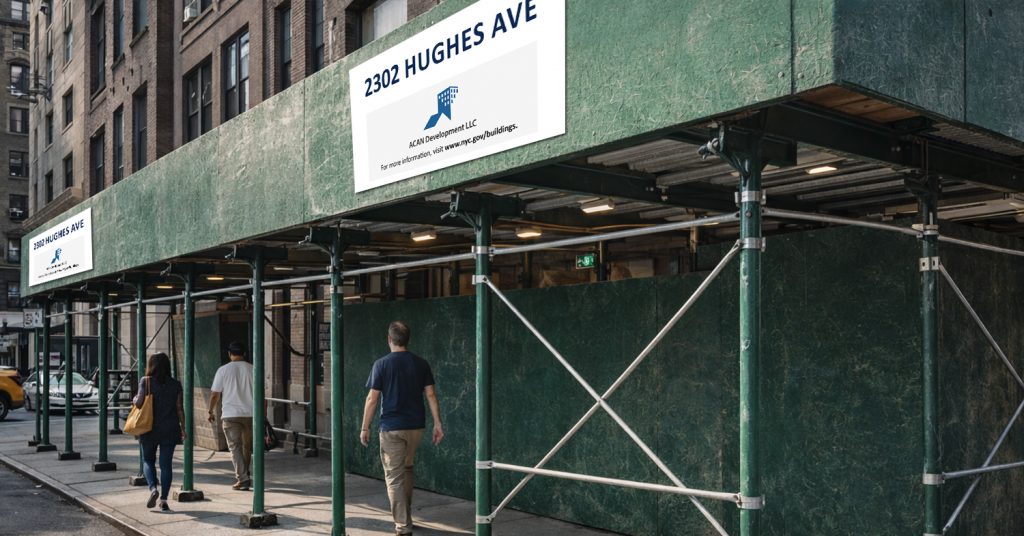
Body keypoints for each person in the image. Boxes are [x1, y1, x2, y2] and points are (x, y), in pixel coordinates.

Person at [360, 321, 444, 536]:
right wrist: (438, 424)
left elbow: (372, 399)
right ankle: (406, 517)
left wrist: (365, 427)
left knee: (394, 478)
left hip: (391, 428)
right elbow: (431, 395)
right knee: (407, 469)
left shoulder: (381, 364)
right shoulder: (421, 363)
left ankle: (403, 526)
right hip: (416, 426)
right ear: (407, 340)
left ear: (389, 339)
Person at [134, 352, 185, 511]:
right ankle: (163, 499)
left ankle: (153, 489)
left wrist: (135, 399)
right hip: (170, 428)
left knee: (148, 460)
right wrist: (183, 427)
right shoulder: (176, 384)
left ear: (151, 365)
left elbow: (139, 403)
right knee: (166, 465)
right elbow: (179, 408)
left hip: (149, 428)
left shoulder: (146, 381)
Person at [208, 341, 255, 491]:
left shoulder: (223, 370)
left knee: (235, 447)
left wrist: (210, 411)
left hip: (230, 414)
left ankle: (243, 478)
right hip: (250, 414)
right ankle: (245, 474)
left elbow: (215, 394)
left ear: (229, 354)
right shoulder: (253, 369)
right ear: (245, 354)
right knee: (247, 447)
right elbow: (262, 395)